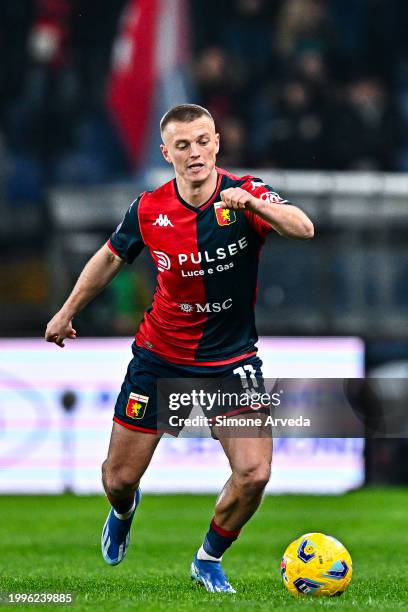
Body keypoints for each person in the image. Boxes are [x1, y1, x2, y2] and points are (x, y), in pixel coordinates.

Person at [45, 103, 314, 593]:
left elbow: (302, 227)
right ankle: (124, 511)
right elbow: (109, 260)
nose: (195, 152)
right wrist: (67, 312)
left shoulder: (246, 193)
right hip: (160, 356)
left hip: (230, 360)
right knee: (117, 479)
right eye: (183, 145)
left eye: (203, 141)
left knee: (254, 473)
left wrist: (253, 205)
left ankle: (208, 558)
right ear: (165, 152)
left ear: (217, 143)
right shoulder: (148, 209)